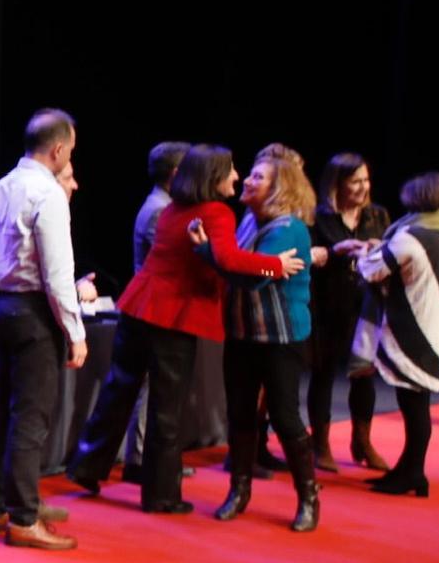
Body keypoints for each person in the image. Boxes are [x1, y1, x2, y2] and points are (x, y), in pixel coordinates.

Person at [66, 146, 303, 513]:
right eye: (231, 171)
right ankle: (162, 495)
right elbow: (227, 259)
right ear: (212, 177)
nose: (237, 177)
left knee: (119, 390)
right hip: (172, 317)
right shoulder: (216, 212)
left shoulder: (173, 209)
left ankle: (87, 466)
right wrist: (275, 266)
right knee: (166, 407)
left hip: (138, 306)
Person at [0, 109, 86, 550]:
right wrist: (76, 333)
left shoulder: (3, 185)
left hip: (1, 305)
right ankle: (23, 518)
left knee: (4, 410)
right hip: (33, 308)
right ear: (59, 149)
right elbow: (58, 274)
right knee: (31, 416)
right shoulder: (48, 193)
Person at [211, 147, 321, 530]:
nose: (247, 180)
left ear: (280, 188)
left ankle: (309, 497)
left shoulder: (288, 228)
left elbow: (250, 276)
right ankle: (238, 491)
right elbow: (237, 266)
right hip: (242, 335)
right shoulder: (246, 221)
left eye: (259, 177)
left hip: (281, 338)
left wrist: (207, 253)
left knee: (285, 416)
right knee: (240, 414)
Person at [355, 173, 439, 497]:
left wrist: (362, 252)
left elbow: (372, 270)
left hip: (416, 329)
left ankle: (413, 472)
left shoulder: (413, 235)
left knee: (414, 405)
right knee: (418, 404)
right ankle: (409, 468)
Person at [308, 154, 393, 470]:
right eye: (355, 181)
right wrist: (336, 251)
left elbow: (391, 256)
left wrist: (379, 249)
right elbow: (310, 260)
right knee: (323, 374)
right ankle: (320, 445)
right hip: (328, 305)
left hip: (366, 306)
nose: (363, 187)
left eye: (366, 180)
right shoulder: (319, 218)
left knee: (363, 374)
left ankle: (363, 441)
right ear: (337, 183)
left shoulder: (377, 215)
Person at [121, 142, 190, 481]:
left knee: (151, 387)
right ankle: (140, 459)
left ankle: (145, 457)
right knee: (150, 388)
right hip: (154, 311)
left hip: (157, 308)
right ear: (176, 174)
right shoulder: (161, 211)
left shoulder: (163, 206)